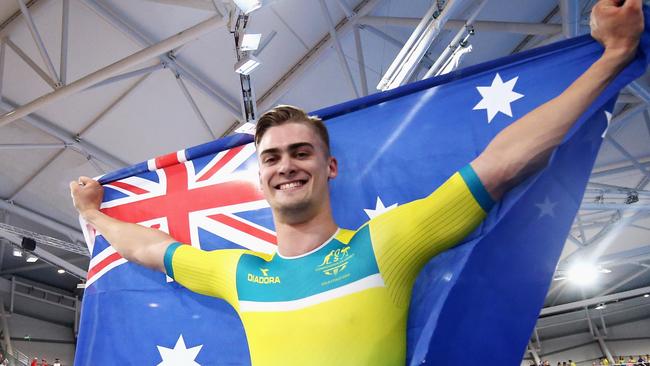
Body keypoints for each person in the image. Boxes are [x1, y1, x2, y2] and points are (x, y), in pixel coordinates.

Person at [69, 0, 644, 365]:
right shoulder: (239, 274)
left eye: (301, 153)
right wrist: (93, 215)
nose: (285, 165)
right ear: (261, 177)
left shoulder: (385, 245)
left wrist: (611, 57)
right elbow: (149, 249)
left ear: (329, 167)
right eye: (271, 158)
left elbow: (501, 161)